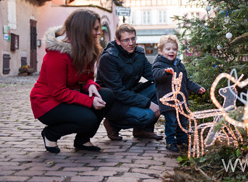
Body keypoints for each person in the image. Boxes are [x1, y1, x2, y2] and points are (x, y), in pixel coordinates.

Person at [30, 9, 115, 153]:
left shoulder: (87, 50)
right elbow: (58, 92)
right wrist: (89, 101)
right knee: (88, 118)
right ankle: (51, 134)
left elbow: (87, 78)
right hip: (47, 102)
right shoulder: (58, 54)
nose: (98, 33)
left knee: (106, 96)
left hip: (67, 96)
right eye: (95, 29)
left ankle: (83, 139)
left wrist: (91, 86)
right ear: (83, 29)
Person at [97, 24, 163, 141]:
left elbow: (152, 74)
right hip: (113, 102)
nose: (131, 43)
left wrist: (169, 75)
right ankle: (113, 124)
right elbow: (118, 92)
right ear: (118, 41)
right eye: (126, 40)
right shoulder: (108, 58)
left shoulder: (138, 54)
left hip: (130, 93)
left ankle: (142, 130)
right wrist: (148, 104)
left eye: (133, 39)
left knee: (160, 89)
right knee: (147, 115)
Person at [151, 35, 206, 152]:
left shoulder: (179, 65)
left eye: (174, 49)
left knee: (182, 121)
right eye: (168, 49)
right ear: (160, 51)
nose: (171, 51)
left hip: (181, 101)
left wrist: (197, 88)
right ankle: (170, 142)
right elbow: (156, 75)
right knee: (171, 122)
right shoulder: (159, 64)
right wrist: (165, 72)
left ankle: (182, 140)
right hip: (169, 102)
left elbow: (187, 81)